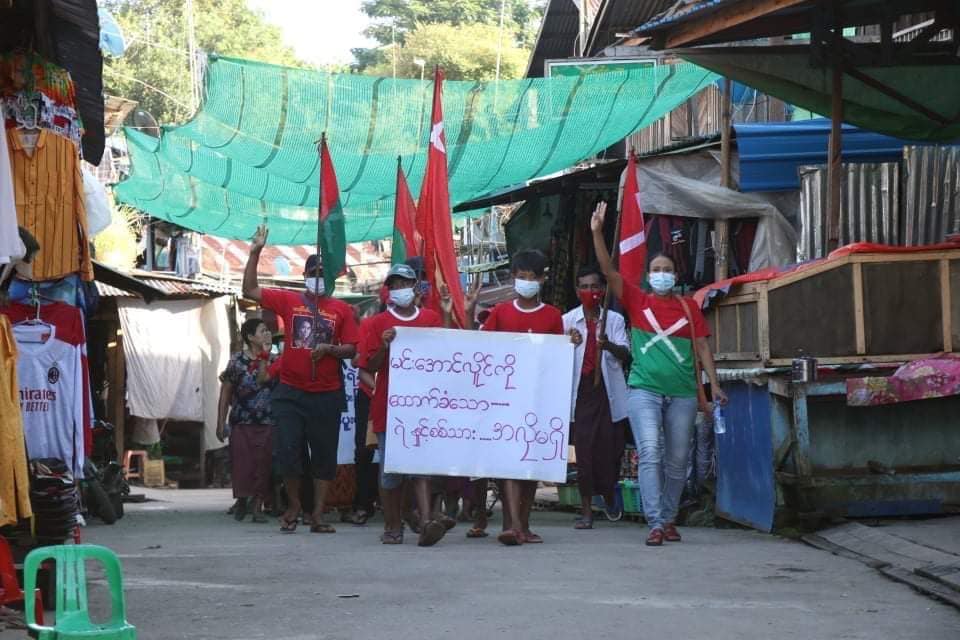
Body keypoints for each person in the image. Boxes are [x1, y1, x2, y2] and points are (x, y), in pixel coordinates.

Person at [591, 202, 727, 546]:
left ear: (675, 275)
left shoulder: (688, 307)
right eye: (656, 269)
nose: (662, 273)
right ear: (649, 276)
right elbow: (609, 272)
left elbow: (703, 349)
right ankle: (654, 522)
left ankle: (668, 518)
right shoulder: (638, 302)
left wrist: (715, 385)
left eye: (667, 268)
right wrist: (596, 233)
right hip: (644, 390)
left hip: (682, 393)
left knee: (678, 460)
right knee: (651, 451)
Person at [242, 224, 360, 534]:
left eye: (323, 273)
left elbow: (352, 348)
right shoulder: (288, 301)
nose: (318, 278)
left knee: (324, 455)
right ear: (304, 277)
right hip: (290, 392)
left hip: (327, 393)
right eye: (313, 272)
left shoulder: (343, 310)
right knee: (288, 452)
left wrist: (331, 349)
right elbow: (249, 290)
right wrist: (254, 253)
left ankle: (318, 513)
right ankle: (294, 503)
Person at [467, 249, 574, 546]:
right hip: (505, 400)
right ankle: (514, 525)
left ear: (543, 279)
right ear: (513, 277)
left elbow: (557, 359)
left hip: (539, 400)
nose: (527, 282)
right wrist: (468, 311)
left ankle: (523, 525)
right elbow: (480, 349)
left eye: (533, 277)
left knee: (530, 466)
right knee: (509, 464)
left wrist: (571, 344)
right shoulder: (500, 312)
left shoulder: (553, 316)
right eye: (522, 277)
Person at [357, 263, 450, 546]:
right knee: (390, 471)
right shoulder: (375, 324)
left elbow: (446, 351)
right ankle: (392, 525)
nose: (400, 290)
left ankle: (425, 522)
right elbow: (367, 366)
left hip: (423, 407)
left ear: (415, 287)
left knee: (420, 467)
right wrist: (385, 346)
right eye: (395, 285)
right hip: (389, 407)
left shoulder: (431, 318)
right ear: (388, 291)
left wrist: (447, 313)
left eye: (405, 284)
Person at [562, 265, 632, 530]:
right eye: (585, 287)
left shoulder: (613, 320)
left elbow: (626, 354)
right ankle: (586, 510)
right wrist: (567, 343)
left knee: (610, 448)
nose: (590, 291)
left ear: (602, 291)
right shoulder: (567, 321)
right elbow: (554, 356)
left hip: (607, 391)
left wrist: (608, 345)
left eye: (594, 287)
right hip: (582, 392)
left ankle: (609, 492)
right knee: (585, 451)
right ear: (578, 290)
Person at [216, 318, 277, 523]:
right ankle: (242, 500)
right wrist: (220, 422)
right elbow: (226, 392)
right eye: (262, 331)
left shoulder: (274, 360)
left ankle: (258, 506)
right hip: (241, 422)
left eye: (268, 330)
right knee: (242, 464)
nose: (267, 334)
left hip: (267, 421)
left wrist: (265, 357)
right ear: (250, 337)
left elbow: (268, 381)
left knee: (263, 465)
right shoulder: (236, 361)